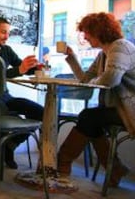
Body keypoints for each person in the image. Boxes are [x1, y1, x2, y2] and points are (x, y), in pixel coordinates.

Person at [57, 12, 135, 186]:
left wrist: (95, 80)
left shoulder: (120, 47)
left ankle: (62, 162)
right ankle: (114, 169)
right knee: (90, 120)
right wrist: (72, 59)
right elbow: (86, 81)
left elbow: (111, 80)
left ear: (98, 31)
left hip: (130, 110)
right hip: (119, 108)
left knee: (89, 117)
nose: (84, 36)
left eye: (87, 32)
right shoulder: (103, 55)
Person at [0, 16, 44, 171]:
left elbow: (20, 67)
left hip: (5, 97)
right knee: (3, 113)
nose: (7, 36)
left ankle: (9, 146)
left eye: (8, 33)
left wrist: (36, 67)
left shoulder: (6, 50)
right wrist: (20, 70)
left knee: (41, 113)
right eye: (3, 32)